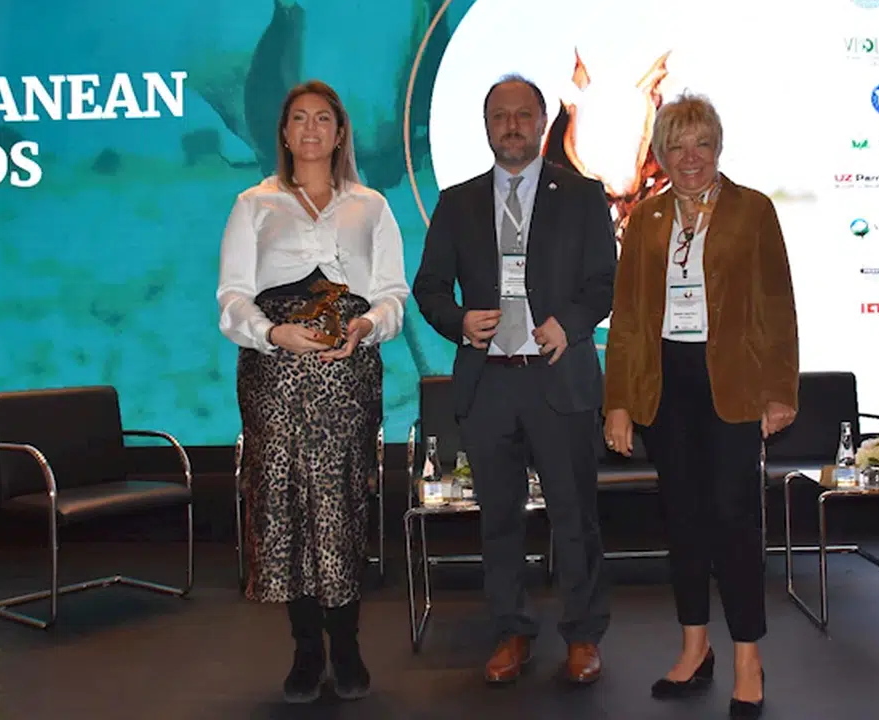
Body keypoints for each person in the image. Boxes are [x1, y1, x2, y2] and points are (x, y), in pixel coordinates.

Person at [412, 74, 616, 686]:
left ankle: (582, 635)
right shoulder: (458, 202)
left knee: (574, 517)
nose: (512, 126)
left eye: (523, 114)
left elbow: (605, 282)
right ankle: (511, 631)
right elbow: (428, 288)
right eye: (500, 116)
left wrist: (569, 324)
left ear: (542, 122)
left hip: (559, 377)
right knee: (498, 520)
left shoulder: (582, 195)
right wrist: (458, 321)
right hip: (489, 383)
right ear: (486, 127)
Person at [602, 92, 799, 719]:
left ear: (718, 147)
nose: (691, 157)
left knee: (735, 521)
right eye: (677, 146)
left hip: (733, 383)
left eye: (702, 144)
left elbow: (778, 305)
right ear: (661, 154)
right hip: (667, 382)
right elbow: (629, 318)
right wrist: (618, 402)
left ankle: (747, 658)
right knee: (682, 520)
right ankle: (694, 648)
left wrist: (780, 390)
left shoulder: (753, 211)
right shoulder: (646, 219)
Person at [216, 80, 409, 704]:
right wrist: (273, 333)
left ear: (340, 131)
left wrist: (366, 326)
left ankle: (346, 646)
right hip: (274, 373)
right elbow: (231, 298)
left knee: (342, 503)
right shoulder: (253, 204)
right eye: (298, 118)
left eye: (322, 118)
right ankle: (305, 651)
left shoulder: (372, 206)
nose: (310, 129)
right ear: (283, 131)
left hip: (347, 373)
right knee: (286, 509)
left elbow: (393, 296)